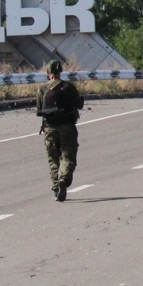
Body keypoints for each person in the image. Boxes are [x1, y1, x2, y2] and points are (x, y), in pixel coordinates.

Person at [36, 60, 84, 202]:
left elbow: (39, 109)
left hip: (49, 129)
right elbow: (79, 104)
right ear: (60, 72)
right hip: (67, 127)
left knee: (53, 158)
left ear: (48, 73)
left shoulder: (42, 90)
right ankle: (64, 178)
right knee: (67, 155)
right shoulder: (68, 87)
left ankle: (56, 188)